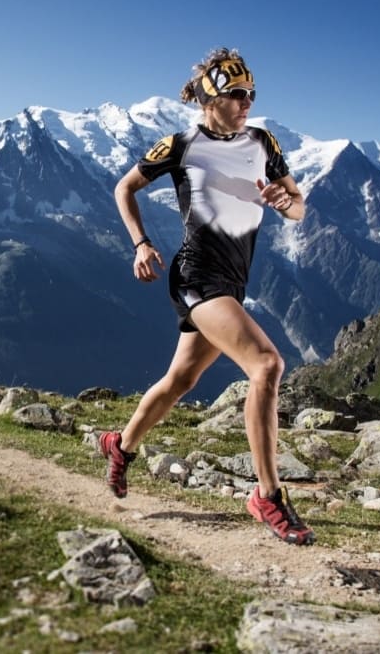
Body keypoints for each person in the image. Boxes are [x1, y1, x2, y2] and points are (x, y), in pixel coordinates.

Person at [99, 47, 315, 545]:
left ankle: (120, 445)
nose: (247, 103)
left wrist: (287, 202)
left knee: (180, 380)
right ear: (209, 98)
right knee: (266, 366)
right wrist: (141, 243)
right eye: (237, 95)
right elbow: (123, 189)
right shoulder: (180, 144)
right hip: (197, 277)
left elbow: (299, 207)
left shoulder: (264, 141)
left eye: (251, 94)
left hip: (233, 281)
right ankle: (268, 495)